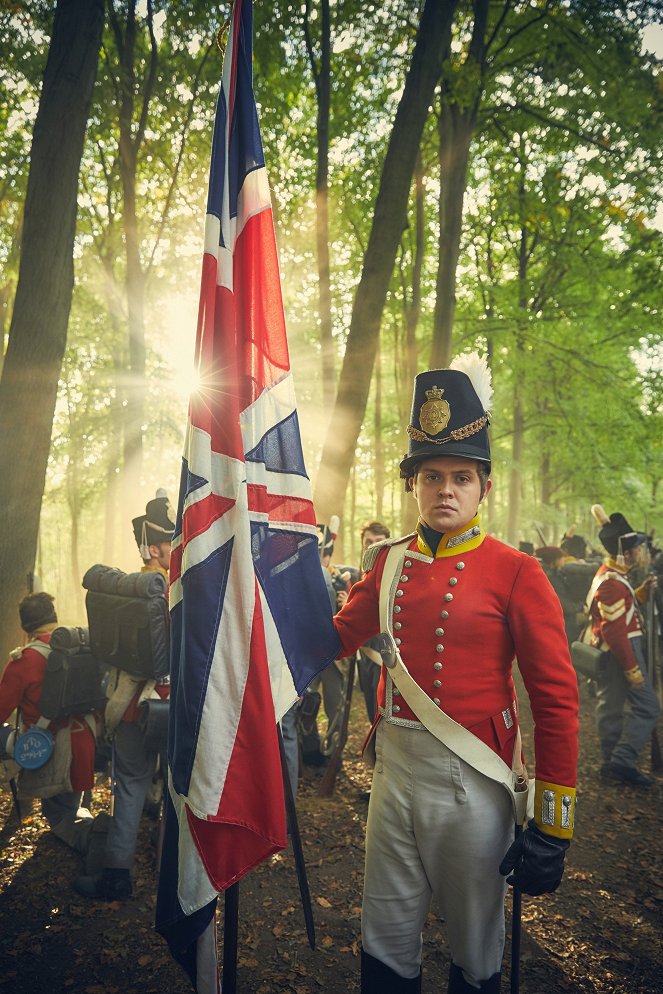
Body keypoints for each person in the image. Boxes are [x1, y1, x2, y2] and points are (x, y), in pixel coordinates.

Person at [332, 354, 579, 993]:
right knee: (384, 933)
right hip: (393, 769)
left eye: (462, 478)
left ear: (483, 488)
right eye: (433, 475)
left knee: (475, 944)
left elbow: (555, 701)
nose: (447, 489)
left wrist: (552, 821)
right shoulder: (387, 564)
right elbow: (329, 641)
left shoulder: (517, 572)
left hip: (473, 778)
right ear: (414, 483)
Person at [74, 490, 174, 900]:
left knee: (130, 785)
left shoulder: (125, 591)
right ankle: (175, 870)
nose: (178, 548)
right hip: (172, 706)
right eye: (172, 543)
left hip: (132, 710)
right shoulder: (175, 590)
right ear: (155, 547)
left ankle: (117, 874)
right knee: (176, 787)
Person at [0, 592, 98, 848]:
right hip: (87, 743)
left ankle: (97, 842)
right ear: (54, 618)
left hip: (49, 750)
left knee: (61, 818)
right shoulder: (82, 647)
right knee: (69, 807)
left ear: (24, 627)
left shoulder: (24, 660)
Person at [588, 505, 660, 788]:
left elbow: (621, 613)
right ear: (625, 553)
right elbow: (615, 630)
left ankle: (612, 763)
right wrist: (632, 668)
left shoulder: (614, 575)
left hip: (618, 650)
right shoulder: (613, 583)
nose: (639, 553)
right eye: (635, 550)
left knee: (612, 706)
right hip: (621, 652)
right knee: (648, 707)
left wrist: (639, 596)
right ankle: (621, 760)